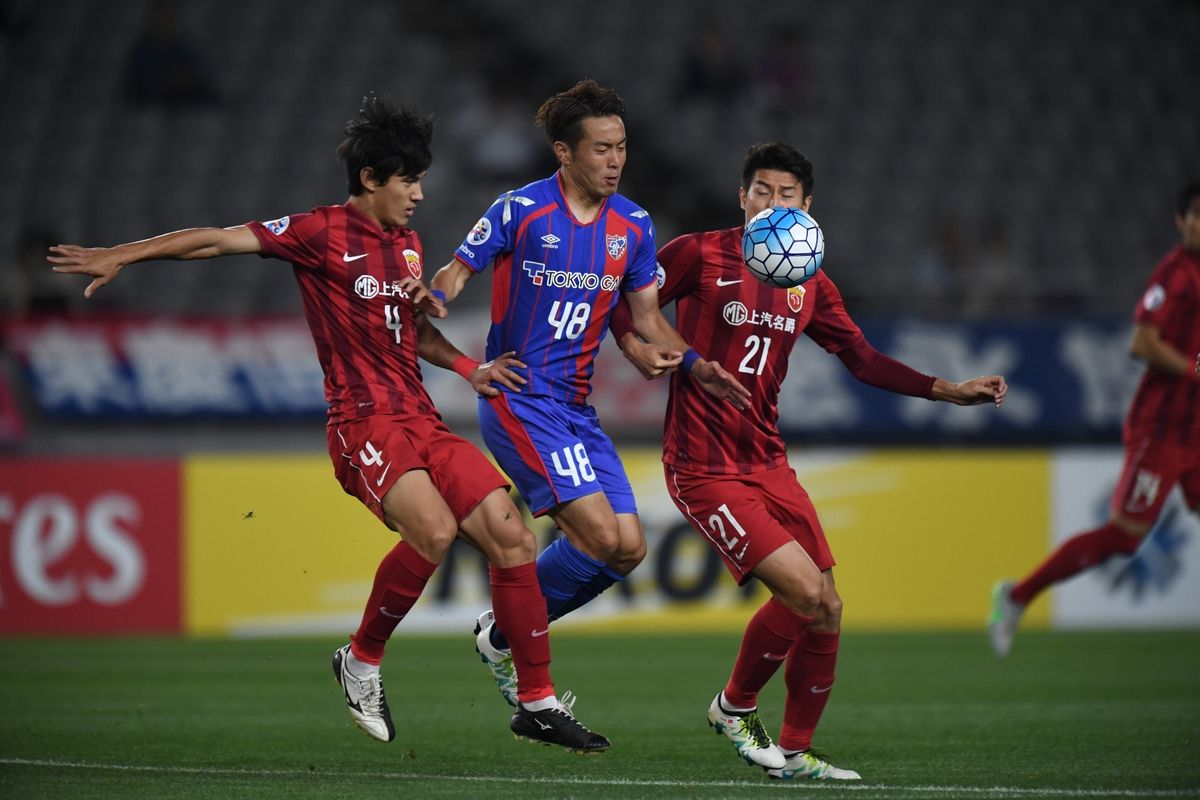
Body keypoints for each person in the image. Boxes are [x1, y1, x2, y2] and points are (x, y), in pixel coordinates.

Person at [46, 95, 610, 754]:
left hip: (420, 418)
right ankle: (362, 659)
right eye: (409, 181)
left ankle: (536, 702)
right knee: (432, 531)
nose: (420, 195)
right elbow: (217, 240)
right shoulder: (317, 232)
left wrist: (468, 367)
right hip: (362, 423)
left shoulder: (406, 246)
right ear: (371, 180)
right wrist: (124, 254)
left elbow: (412, 333)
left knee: (511, 536)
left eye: (422, 180)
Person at [610, 142, 1007, 781]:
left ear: (807, 205)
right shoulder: (699, 252)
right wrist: (646, 351)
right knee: (800, 589)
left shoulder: (810, 281)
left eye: (786, 194)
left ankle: (794, 753)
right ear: (742, 197)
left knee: (827, 606)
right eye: (761, 191)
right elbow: (625, 302)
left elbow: (864, 359)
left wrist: (948, 389)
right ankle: (733, 707)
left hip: (768, 460)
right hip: (703, 465)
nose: (772, 203)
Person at [429, 79, 750, 707]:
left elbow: (649, 320)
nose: (615, 160)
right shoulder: (520, 210)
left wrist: (693, 365)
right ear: (564, 152)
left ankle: (502, 632)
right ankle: (519, 645)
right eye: (601, 148)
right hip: (520, 397)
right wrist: (435, 295)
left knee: (628, 549)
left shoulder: (632, 225)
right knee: (601, 538)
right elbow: (456, 270)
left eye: (622, 147)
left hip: (576, 408)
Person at [989, 181, 1200, 658]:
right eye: (1196, 216)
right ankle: (1017, 595)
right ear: (1180, 221)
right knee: (1125, 537)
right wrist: (1193, 368)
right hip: (1162, 430)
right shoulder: (1175, 273)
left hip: (1195, 428)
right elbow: (1140, 343)